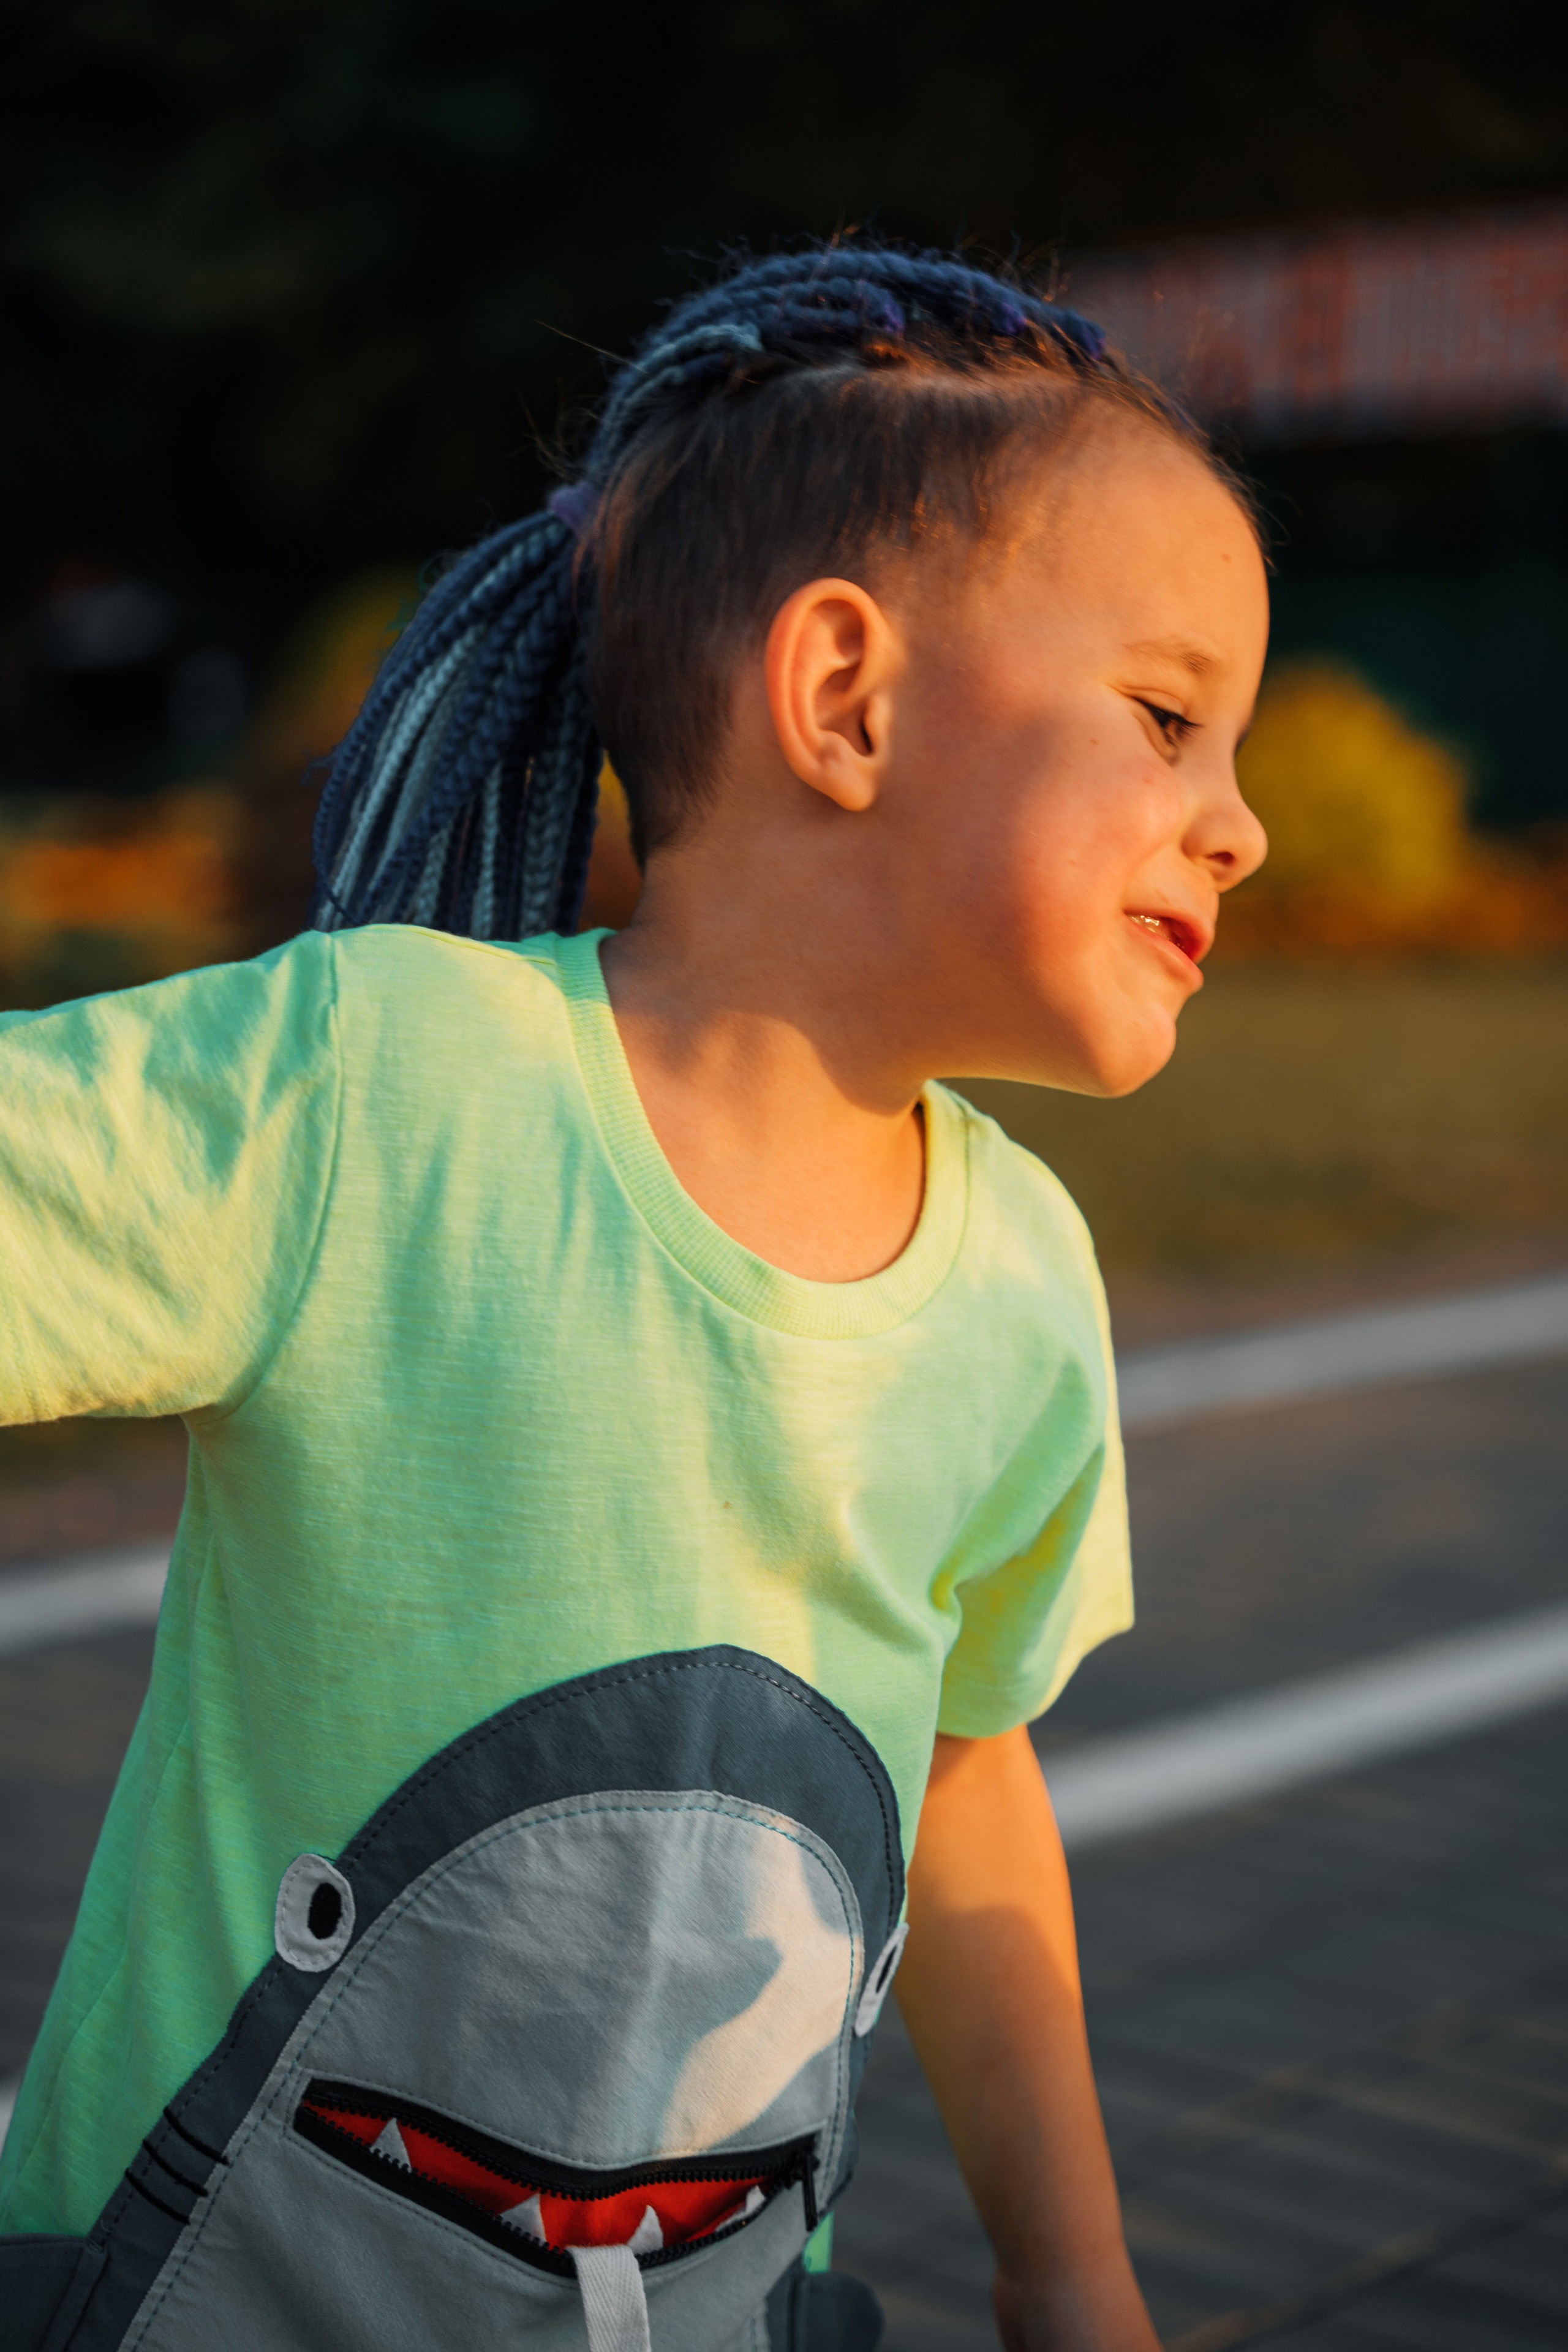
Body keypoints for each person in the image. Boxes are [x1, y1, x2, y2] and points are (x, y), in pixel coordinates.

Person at [0, 244, 1268, 2352]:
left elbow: (962, 1772)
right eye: (1167, 718)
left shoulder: (1024, 1280)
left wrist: (1073, 2274)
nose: (1242, 825)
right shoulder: (380, 1087)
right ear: (846, 698)